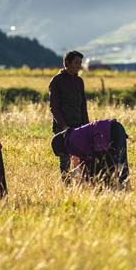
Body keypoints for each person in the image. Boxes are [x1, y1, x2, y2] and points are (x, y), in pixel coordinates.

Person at [51, 119, 129, 187]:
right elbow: (86, 157)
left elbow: (91, 157)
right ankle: (123, 187)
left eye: (61, 153)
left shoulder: (72, 140)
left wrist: (85, 174)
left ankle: (115, 188)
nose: (65, 155)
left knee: (105, 166)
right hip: (116, 128)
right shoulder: (73, 136)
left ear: (61, 146)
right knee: (120, 162)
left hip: (110, 131)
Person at [49, 50, 89, 181]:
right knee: (65, 160)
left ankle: (79, 184)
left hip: (78, 126)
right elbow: (54, 107)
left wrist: (86, 127)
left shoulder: (79, 81)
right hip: (63, 127)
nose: (79, 66)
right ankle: (66, 186)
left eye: (80, 63)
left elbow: (83, 106)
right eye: (76, 63)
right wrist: (63, 126)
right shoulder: (57, 81)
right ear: (67, 63)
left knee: (81, 159)